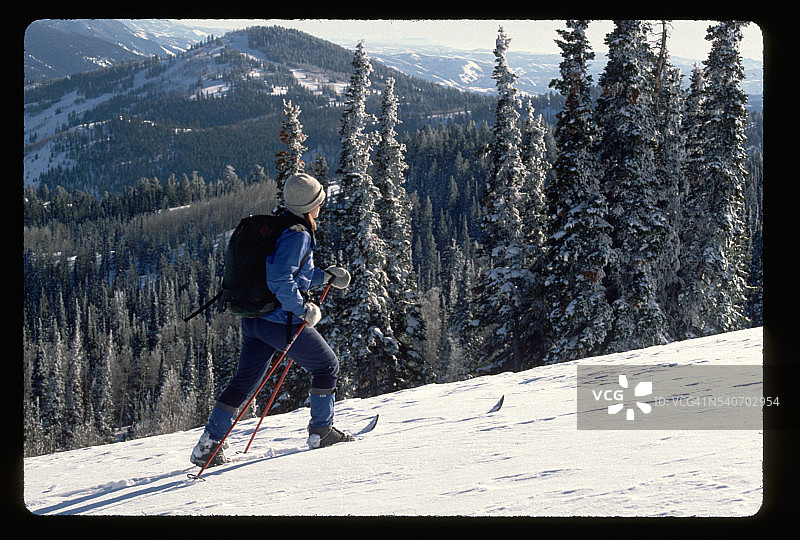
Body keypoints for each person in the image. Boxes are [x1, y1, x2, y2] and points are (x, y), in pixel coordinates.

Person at [191, 173, 353, 468]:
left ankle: (208, 444)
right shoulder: (298, 234)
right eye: (318, 203)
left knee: (244, 382)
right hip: (280, 321)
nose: (320, 208)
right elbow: (280, 278)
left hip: (255, 319)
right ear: (309, 205)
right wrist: (302, 309)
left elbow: (294, 274)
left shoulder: (279, 226)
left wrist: (326, 276)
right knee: (327, 365)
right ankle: (322, 430)